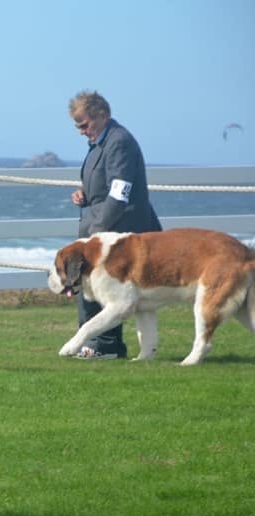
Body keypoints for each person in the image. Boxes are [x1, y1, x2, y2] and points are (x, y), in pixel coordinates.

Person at [68, 90, 162, 360]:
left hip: (119, 231)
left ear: (102, 115)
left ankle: (105, 345)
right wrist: (83, 194)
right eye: (78, 127)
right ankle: (98, 344)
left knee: (106, 289)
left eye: (85, 125)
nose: (82, 131)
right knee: (90, 287)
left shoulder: (119, 141)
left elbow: (119, 194)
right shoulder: (101, 142)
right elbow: (103, 186)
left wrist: (96, 233)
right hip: (101, 226)